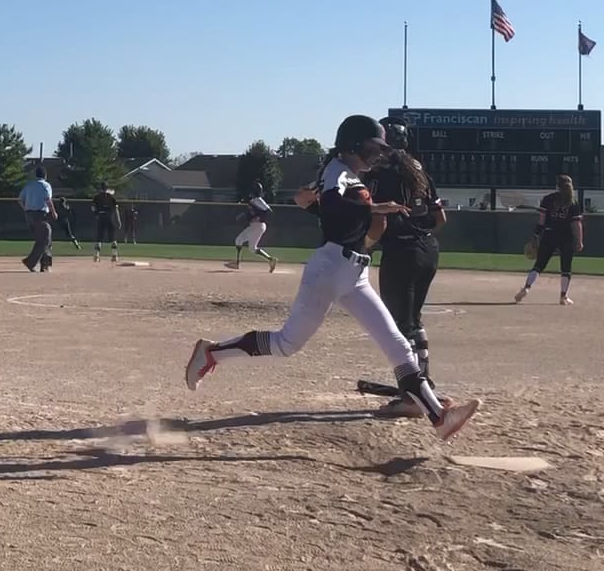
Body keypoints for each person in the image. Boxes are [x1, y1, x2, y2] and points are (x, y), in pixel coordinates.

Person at [184, 115, 479, 442]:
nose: (376, 155)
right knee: (286, 344)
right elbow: (336, 204)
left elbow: (327, 208)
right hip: (330, 268)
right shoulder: (336, 171)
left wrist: (364, 212)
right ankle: (212, 353)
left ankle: (439, 417)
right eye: (372, 148)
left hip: (355, 273)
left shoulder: (349, 175)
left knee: (396, 343)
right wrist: (375, 209)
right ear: (352, 145)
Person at [362, 137, 449, 416]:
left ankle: (412, 398)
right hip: (428, 250)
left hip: (401, 253)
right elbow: (440, 219)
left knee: (400, 325)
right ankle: (423, 384)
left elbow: (379, 220)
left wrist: (365, 246)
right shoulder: (418, 171)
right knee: (413, 321)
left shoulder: (381, 175)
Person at [517, 175, 584, 305]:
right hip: (566, 237)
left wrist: (536, 235)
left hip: (549, 234)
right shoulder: (573, 202)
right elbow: (576, 224)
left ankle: (526, 288)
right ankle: (563, 297)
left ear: (557, 185)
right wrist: (579, 240)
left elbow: (541, 221)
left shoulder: (548, 199)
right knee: (566, 268)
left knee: (539, 265)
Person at [228, 187, 276, 271]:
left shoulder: (258, 200)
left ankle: (237, 263)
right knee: (252, 248)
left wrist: (258, 218)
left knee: (239, 240)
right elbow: (254, 211)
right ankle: (271, 259)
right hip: (258, 226)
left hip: (257, 225)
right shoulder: (254, 200)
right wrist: (244, 215)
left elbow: (269, 211)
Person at [18, 167, 56, 272]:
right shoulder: (45, 185)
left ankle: (45, 265)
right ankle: (31, 262)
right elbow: (48, 199)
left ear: (36, 175)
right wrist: (53, 212)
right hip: (40, 215)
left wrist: (26, 209)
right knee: (46, 238)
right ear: (45, 175)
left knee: (43, 239)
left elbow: (20, 199)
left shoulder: (29, 185)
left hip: (29, 215)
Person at [90, 184, 121, 259]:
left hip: (101, 216)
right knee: (112, 236)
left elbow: (93, 208)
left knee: (99, 236)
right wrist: (118, 220)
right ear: (107, 189)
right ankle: (114, 255)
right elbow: (116, 209)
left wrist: (96, 214)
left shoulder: (97, 197)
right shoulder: (111, 197)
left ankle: (96, 255)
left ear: (100, 188)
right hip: (109, 217)